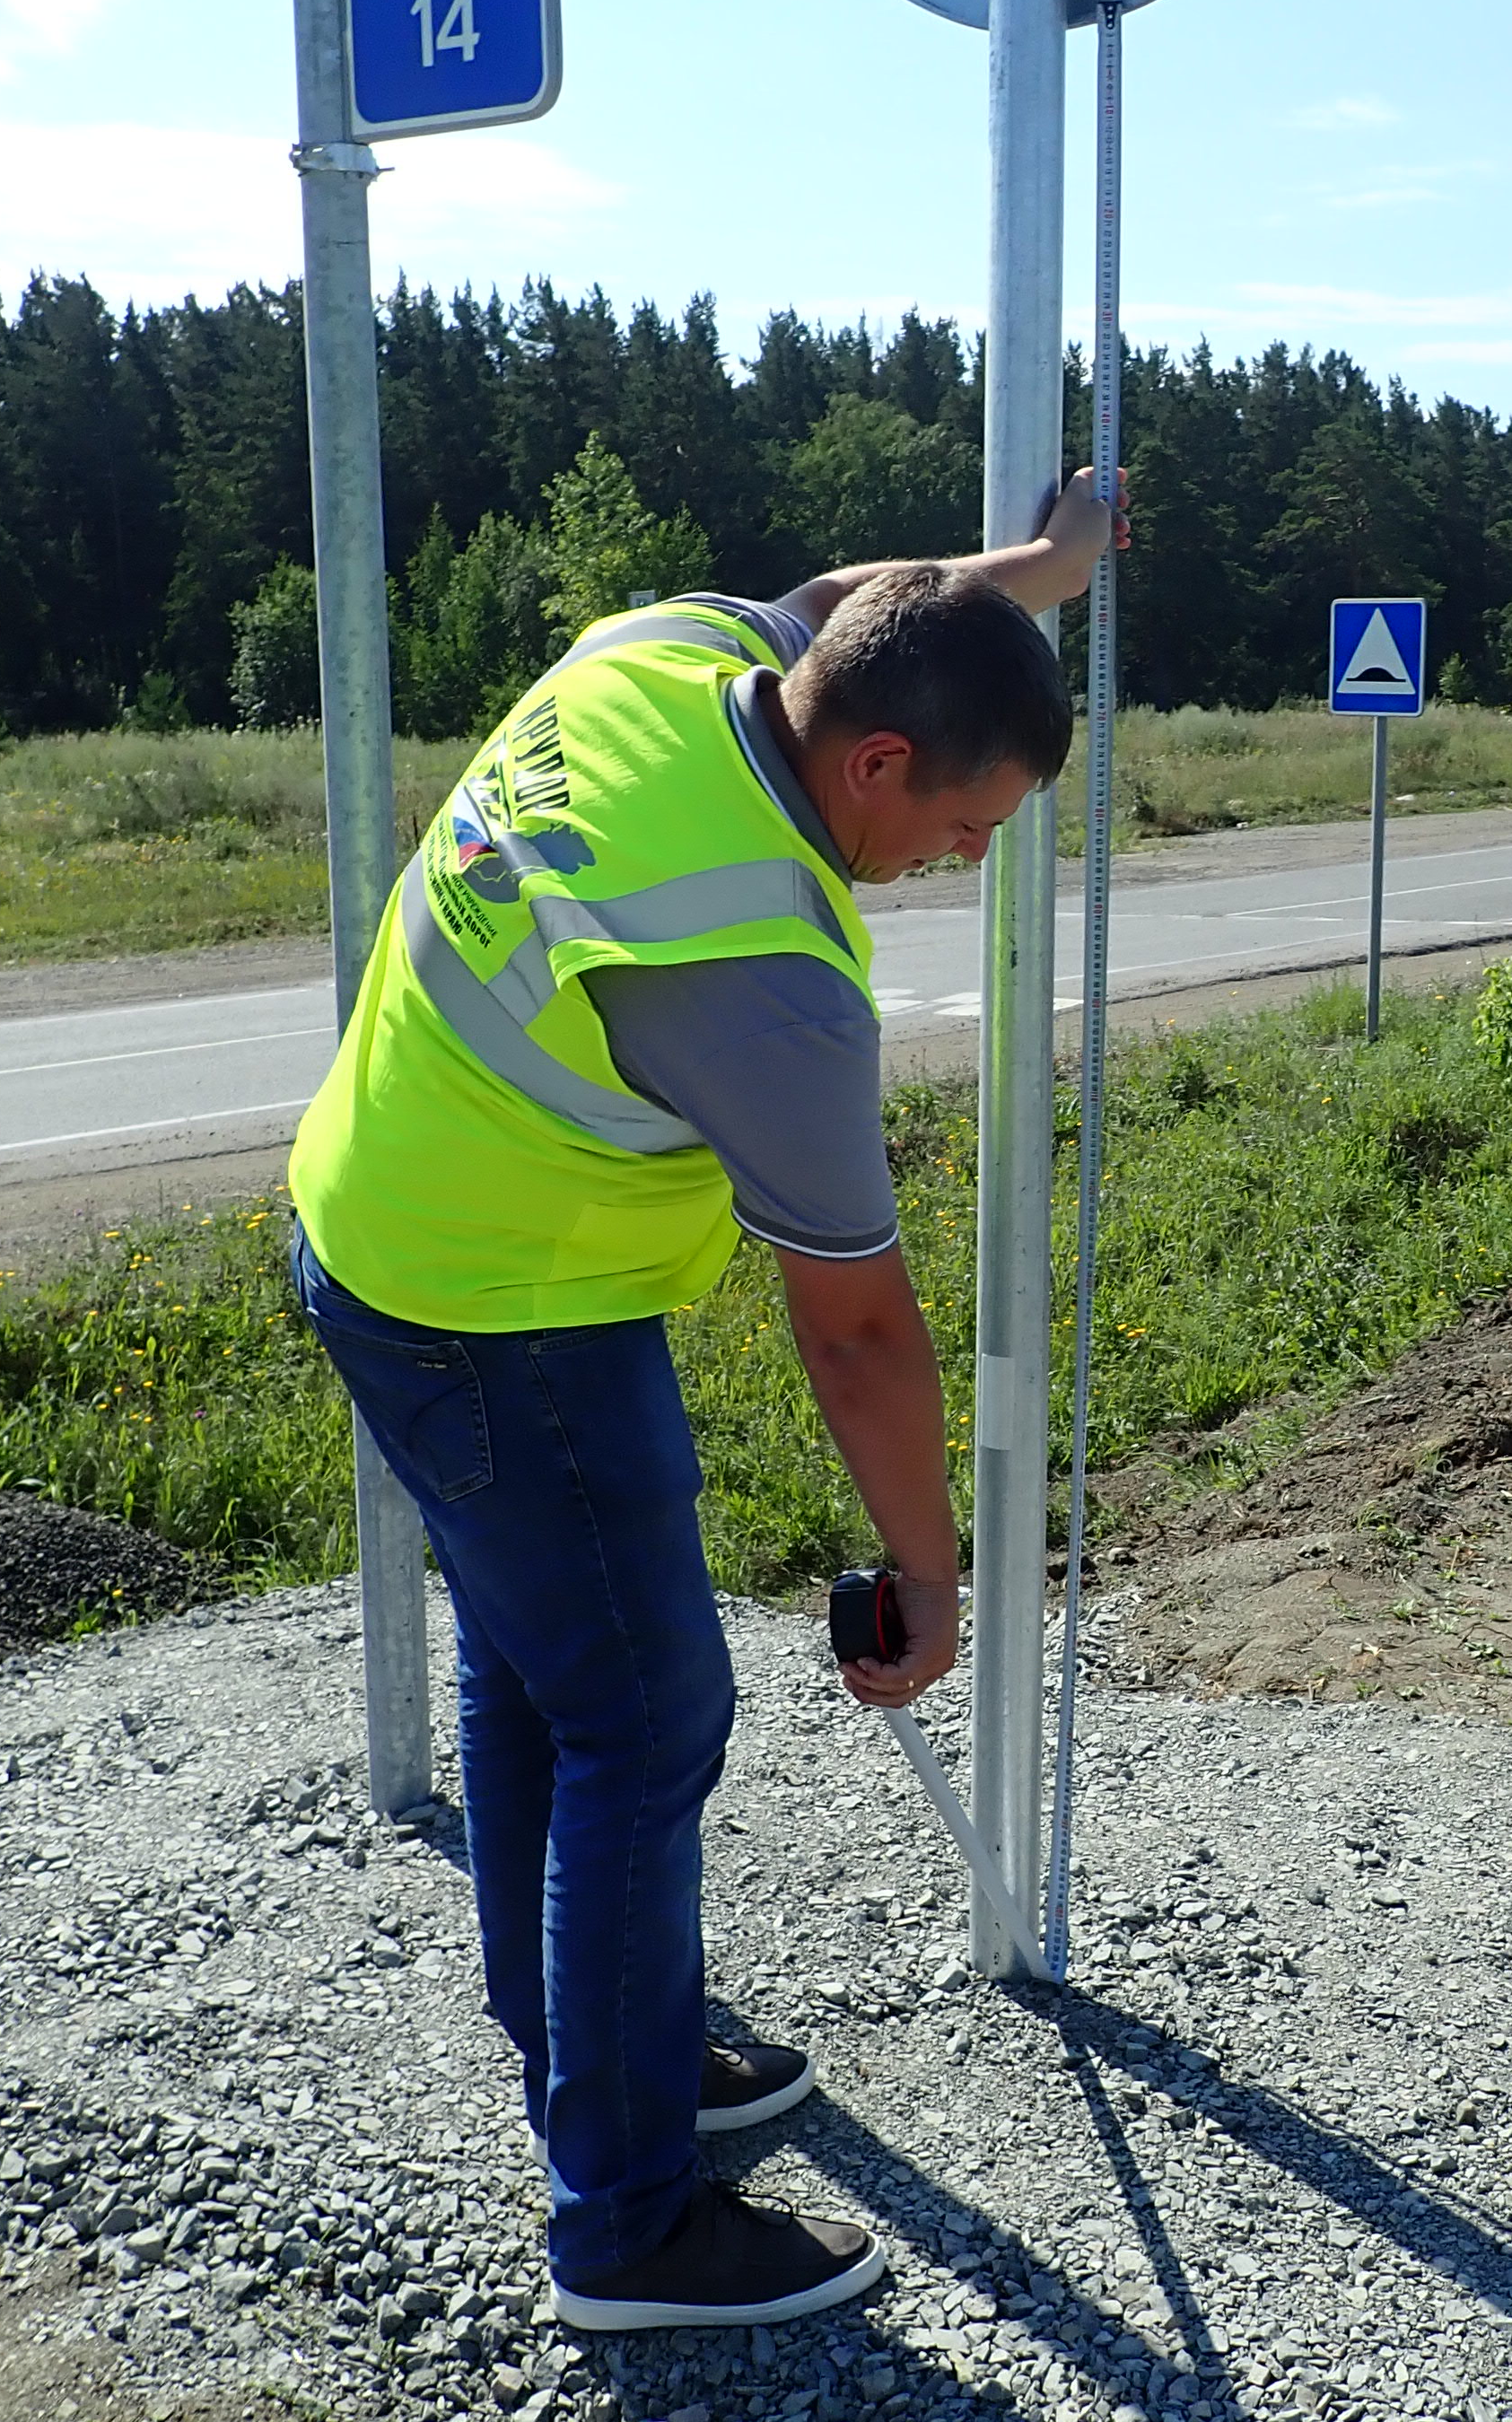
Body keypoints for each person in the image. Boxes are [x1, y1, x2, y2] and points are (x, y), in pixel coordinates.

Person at [284, 478, 1115, 2331]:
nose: (969, 866)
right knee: (648, 1728)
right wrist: (934, 1574)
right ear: (882, 763)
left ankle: (601, 2050)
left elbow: (845, 594)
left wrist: (1032, 580)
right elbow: (860, 1341)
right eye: (969, 827)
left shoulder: (673, 654)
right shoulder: (765, 974)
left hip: (383, 1226)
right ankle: (632, 2231)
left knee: (539, 1683)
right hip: (495, 1316)